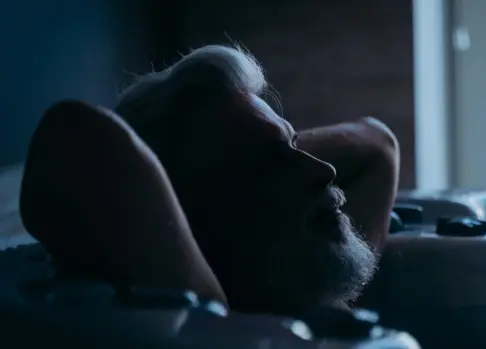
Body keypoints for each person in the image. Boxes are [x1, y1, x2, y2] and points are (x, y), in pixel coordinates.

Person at [20, 45, 400, 316]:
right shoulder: (205, 324)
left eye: (295, 144)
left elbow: (378, 145)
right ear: (186, 223)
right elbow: (78, 134)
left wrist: (273, 152)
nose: (325, 170)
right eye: (265, 166)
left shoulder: (308, 286)